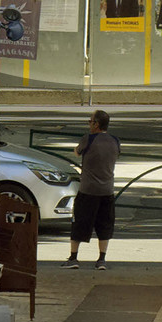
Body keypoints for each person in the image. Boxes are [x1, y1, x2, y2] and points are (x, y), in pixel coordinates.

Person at [67, 109, 122, 266]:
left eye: (90, 121)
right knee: (105, 224)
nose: (89, 124)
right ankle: (101, 259)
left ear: (96, 124)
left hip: (88, 190)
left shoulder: (88, 139)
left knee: (80, 222)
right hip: (107, 191)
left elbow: (77, 152)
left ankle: (73, 258)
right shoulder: (115, 141)